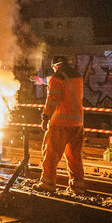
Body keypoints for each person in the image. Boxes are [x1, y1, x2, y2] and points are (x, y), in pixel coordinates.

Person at [38, 55, 85, 194]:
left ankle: (47, 184)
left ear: (56, 66)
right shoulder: (77, 77)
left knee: (51, 154)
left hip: (60, 123)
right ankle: (77, 187)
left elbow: (52, 99)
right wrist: (43, 80)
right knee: (74, 157)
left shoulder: (57, 78)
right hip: (77, 123)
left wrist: (45, 117)